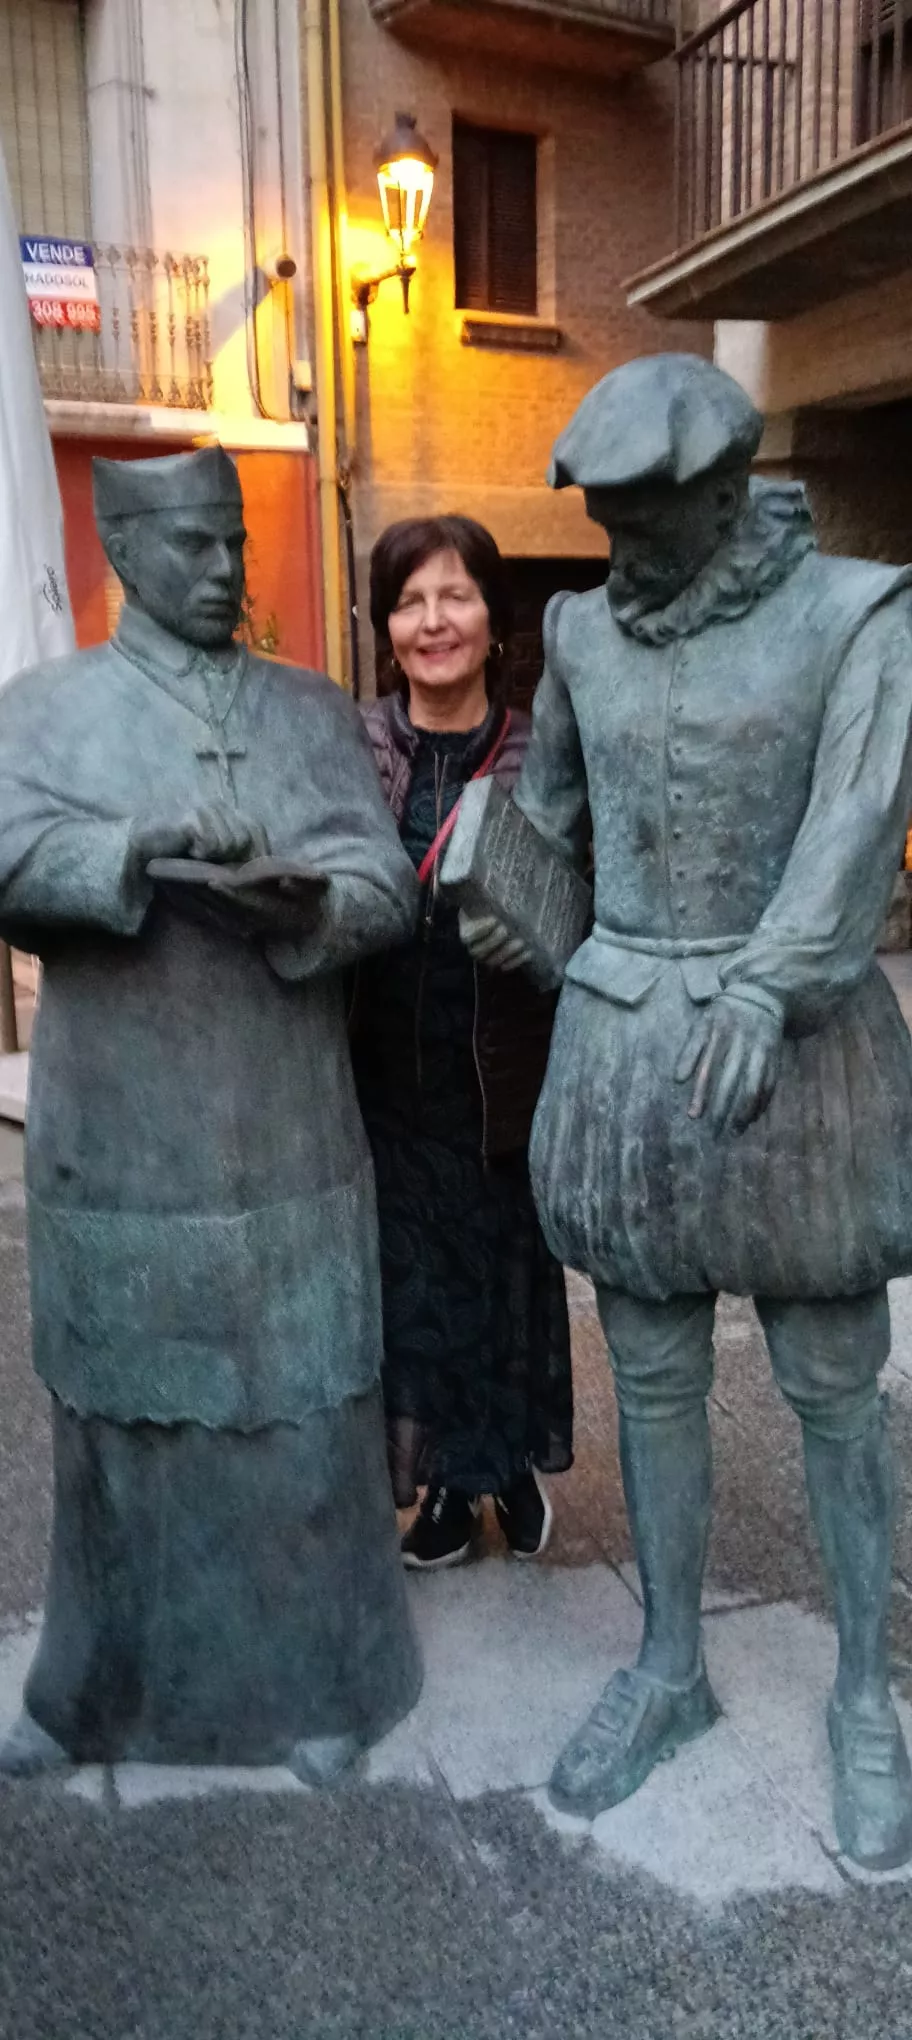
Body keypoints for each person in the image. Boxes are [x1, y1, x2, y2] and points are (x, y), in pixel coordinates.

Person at [464, 355, 912, 1872]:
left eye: (648, 524)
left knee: (834, 1378)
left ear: (729, 493)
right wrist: (505, 887)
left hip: (793, 1049)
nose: (619, 555)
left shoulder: (857, 610)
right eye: (607, 525)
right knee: (650, 1365)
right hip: (627, 1044)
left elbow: (855, 829)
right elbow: (564, 823)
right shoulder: (582, 631)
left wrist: (768, 989)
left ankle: (865, 1694)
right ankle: (669, 1667)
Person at [0, 446, 422, 1779]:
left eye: (235, 544)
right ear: (124, 553)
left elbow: (384, 879)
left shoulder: (309, 708)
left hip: (284, 1110)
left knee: (302, 1412)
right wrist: (132, 848)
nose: (227, 571)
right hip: (119, 1122)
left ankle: (325, 1689)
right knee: (117, 1418)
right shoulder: (45, 711)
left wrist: (317, 904)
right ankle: (89, 1687)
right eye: (194, 548)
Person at [352, 514, 573, 1571]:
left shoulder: (542, 755)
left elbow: (585, 909)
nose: (432, 621)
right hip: (387, 1075)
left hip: (504, 1074)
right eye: (410, 601)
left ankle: (511, 1465)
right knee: (419, 1290)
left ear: (494, 619)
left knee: (502, 1279)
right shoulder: (355, 747)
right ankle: (445, 1483)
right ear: (385, 624)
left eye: (456, 596)